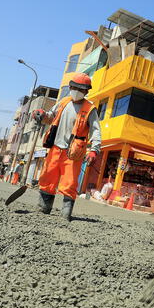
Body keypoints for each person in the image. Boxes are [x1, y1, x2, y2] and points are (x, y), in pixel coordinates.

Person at [32, 73, 101, 221]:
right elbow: (51, 117)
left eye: (80, 89)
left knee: (69, 183)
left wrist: (94, 150)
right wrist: (41, 114)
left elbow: (96, 131)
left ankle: (65, 214)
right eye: (74, 87)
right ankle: (43, 208)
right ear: (70, 87)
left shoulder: (90, 109)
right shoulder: (63, 102)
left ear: (86, 91)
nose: (76, 91)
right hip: (56, 148)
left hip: (73, 153)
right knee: (47, 177)